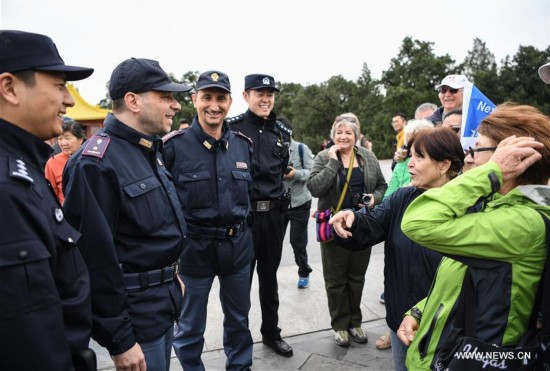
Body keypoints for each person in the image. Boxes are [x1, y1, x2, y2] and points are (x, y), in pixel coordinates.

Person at [397, 103, 550, 370]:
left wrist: (492, 172)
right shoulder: (497, 205)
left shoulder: (521, 223)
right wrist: (419, 311)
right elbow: (460, 280)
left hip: (473, 360)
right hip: (440, 351)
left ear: (514, 159)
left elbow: (417, 221)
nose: (467, 158)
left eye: (475, 149)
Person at [63, 57, 191, 371]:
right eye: (165, 97)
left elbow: (147, 233)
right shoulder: (95, 163)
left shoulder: (149, 149)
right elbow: (92, 260)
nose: (175, 106)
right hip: (135, 318)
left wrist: (172, 275)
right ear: (133, 101)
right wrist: (120, 339)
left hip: (162, 303)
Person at [330, 126, 464, 370]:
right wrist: (351, 218)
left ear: (444, 165)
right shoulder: (403, 198)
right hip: (398, 319)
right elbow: (372, 221)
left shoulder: (469, 208)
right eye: (410, 155)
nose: (409, 164)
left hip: (444, 329)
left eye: (419, 157)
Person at [0, 30, 95, 370]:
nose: (69, 100)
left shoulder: (24, 166)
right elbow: (29, 337)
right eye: (58, 86)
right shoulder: (7, 187)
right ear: (10, 88)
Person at [163, 70, 254, 370]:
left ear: (230, 102)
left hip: (237, 248)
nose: (213, 106)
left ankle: (240, 367)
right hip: (194, 252)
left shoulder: (243, 145)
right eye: (206, 98)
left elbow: (247, 199)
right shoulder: (172, 147)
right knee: (189, 328)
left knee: (239, 321)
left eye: (220, 98)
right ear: (194, 100)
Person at [227, 74, 294, 357]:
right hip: (245, 217)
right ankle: (239, 345)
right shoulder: (232, 128)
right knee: (240, 283)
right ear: (246, 96)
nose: (266, 99)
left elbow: (282, 168)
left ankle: (271, 334)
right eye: (259, 93)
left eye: (270, 93)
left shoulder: (283, 130)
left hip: (274, 217)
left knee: (270, 279)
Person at [307, 115, 387, 347]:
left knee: (356, 278)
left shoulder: (368, 157)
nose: (343, 136)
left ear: (356, 136)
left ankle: (355, 323)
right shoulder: (324, 157)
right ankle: (340, 325)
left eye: (348, 133)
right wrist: (333, 163)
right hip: (334, 226)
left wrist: (374, 199)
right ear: (333, 135)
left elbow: (383, 186)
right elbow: (314, 188)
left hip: (362, 224)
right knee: (335, 281)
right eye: (339, 132)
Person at [279, 116, 314, 289]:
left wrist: (296, 174)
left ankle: (304, 271)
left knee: (297, 241)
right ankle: (270, 273)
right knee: (274, 242)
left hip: (300, 203)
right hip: (278, 203)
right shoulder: (270, 149)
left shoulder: (301, 148)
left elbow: (312, 172)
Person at [383, 119, 434, 199]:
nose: (413, 145)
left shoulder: (435, 163)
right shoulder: (401, 164)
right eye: (409, 142)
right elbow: (387, 198)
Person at [45, 119, 86, 204]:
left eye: (67, 138)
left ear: (80, 139)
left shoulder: (91, 159)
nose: (63, 143)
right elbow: (50, 195)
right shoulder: (52, 163)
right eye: (60, 139)